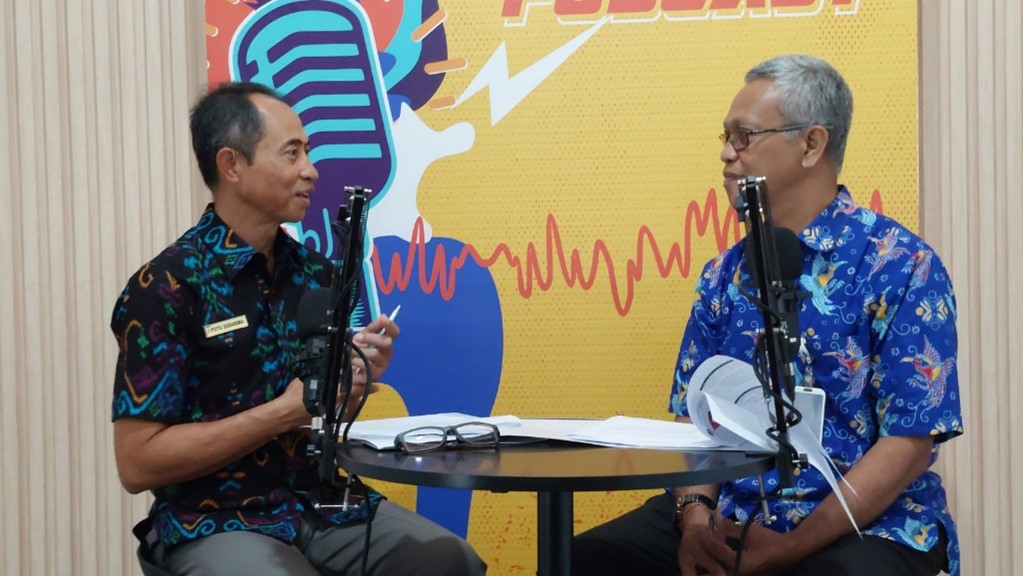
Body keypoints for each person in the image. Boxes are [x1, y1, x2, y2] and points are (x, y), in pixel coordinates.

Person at [572, 55, 962, 576]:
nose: (726, 154)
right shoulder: (722, 275)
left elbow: (909, 441)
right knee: (587, 559)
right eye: (726, 137)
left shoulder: (901, 264)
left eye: (745, 136)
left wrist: (791, 546)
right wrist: (695, 521)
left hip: (863, 523)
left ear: (812, 144)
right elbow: (695, 419)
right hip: (730, 512)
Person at [110, 82, 487, 576]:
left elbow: (320, 417)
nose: (310, 170)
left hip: (319, 501)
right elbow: (138, 464)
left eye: (307, 152)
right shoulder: (166, 287)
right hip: (214, 518)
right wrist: (279, 414)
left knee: (448, 559)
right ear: (232, 165)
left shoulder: (316, 274)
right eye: (292, 153)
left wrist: (351, 380)